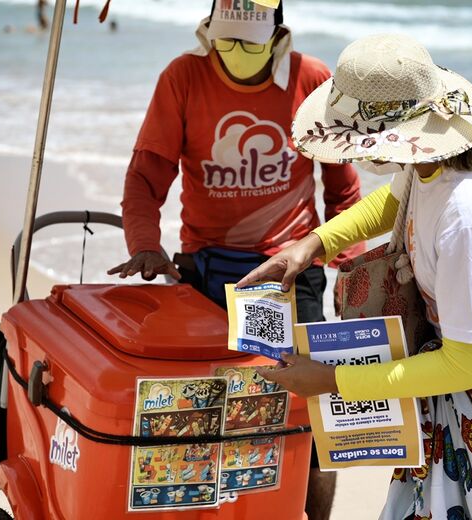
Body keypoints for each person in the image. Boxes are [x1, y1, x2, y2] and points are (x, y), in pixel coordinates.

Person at [239, 34, 472, 519]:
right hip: (457, 373)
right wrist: (313, 244)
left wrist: (332, 381)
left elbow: (463, 367)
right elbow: (397, 200)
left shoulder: (469, 219)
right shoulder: (431, 160)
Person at [106, 1, 364, 518]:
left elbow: (343, 189)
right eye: (224, 42)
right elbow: (146, 176)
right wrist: (144, 244)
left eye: (249, 44)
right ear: (208, 33)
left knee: (312, 415)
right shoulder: (183, 77)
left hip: (293, 268)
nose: (235, 54)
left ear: (278, 35)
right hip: (206, 269)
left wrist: (350, 264)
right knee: (204, 415)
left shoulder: (311, 79)